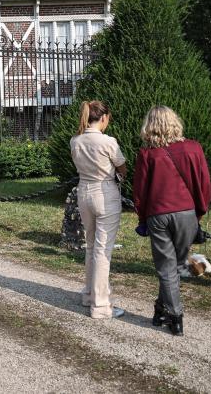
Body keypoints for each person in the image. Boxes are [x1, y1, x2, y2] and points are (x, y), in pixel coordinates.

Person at [132, 106, 210, 336]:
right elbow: (202, 182)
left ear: (150, 126)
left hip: (158, 214)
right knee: (173, 266)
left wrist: (142, 216)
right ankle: (161, 309)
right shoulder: (193, 148)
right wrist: (200, 211)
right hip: (187, 212)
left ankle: (174, 316)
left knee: (168, 267)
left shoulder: (147, 154)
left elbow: (140, 191)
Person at [69, 100, 127, 319]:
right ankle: (101, 305)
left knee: (91, 246)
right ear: (103, 118)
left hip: (84, 191)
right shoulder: (108, 141)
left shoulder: (75, 140)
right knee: (103, 250)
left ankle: (89, 294)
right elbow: (122, 167)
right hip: (105, 192)